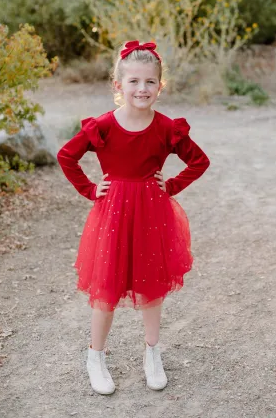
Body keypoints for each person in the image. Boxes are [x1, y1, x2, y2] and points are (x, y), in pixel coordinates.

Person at [57, 40, 210, 395]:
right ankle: (95, 356)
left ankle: (152, 353)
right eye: (134, 81)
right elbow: (67, 156)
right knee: (106, 288)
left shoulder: (167, 128)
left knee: (151, 286)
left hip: (152, 215)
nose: (142, 89)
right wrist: (90, 189)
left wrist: (170, 185)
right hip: (112, 214)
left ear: (160, 85)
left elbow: (199, 161)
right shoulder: (104, 126)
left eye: (150, 82)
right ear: (118, 85)